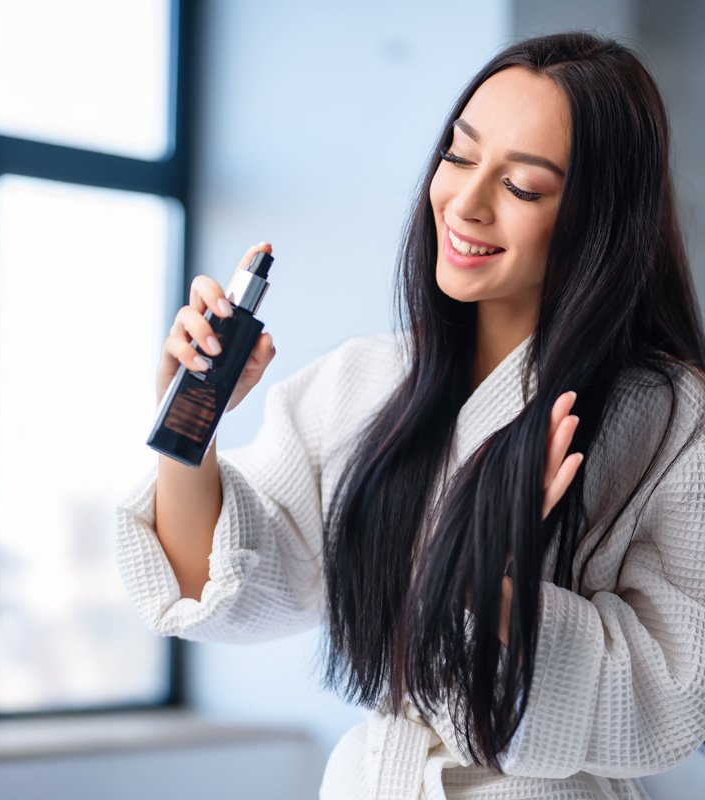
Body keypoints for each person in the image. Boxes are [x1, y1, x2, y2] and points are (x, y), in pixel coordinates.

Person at [116, 31, 705, 799]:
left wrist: (492, 577)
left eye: (522, 187)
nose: (465, 202)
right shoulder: (363, 383)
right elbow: (218, 585)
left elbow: (676, 691)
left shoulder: (669, 418)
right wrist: (191, 428)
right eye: (459, 157)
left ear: (597, 219)